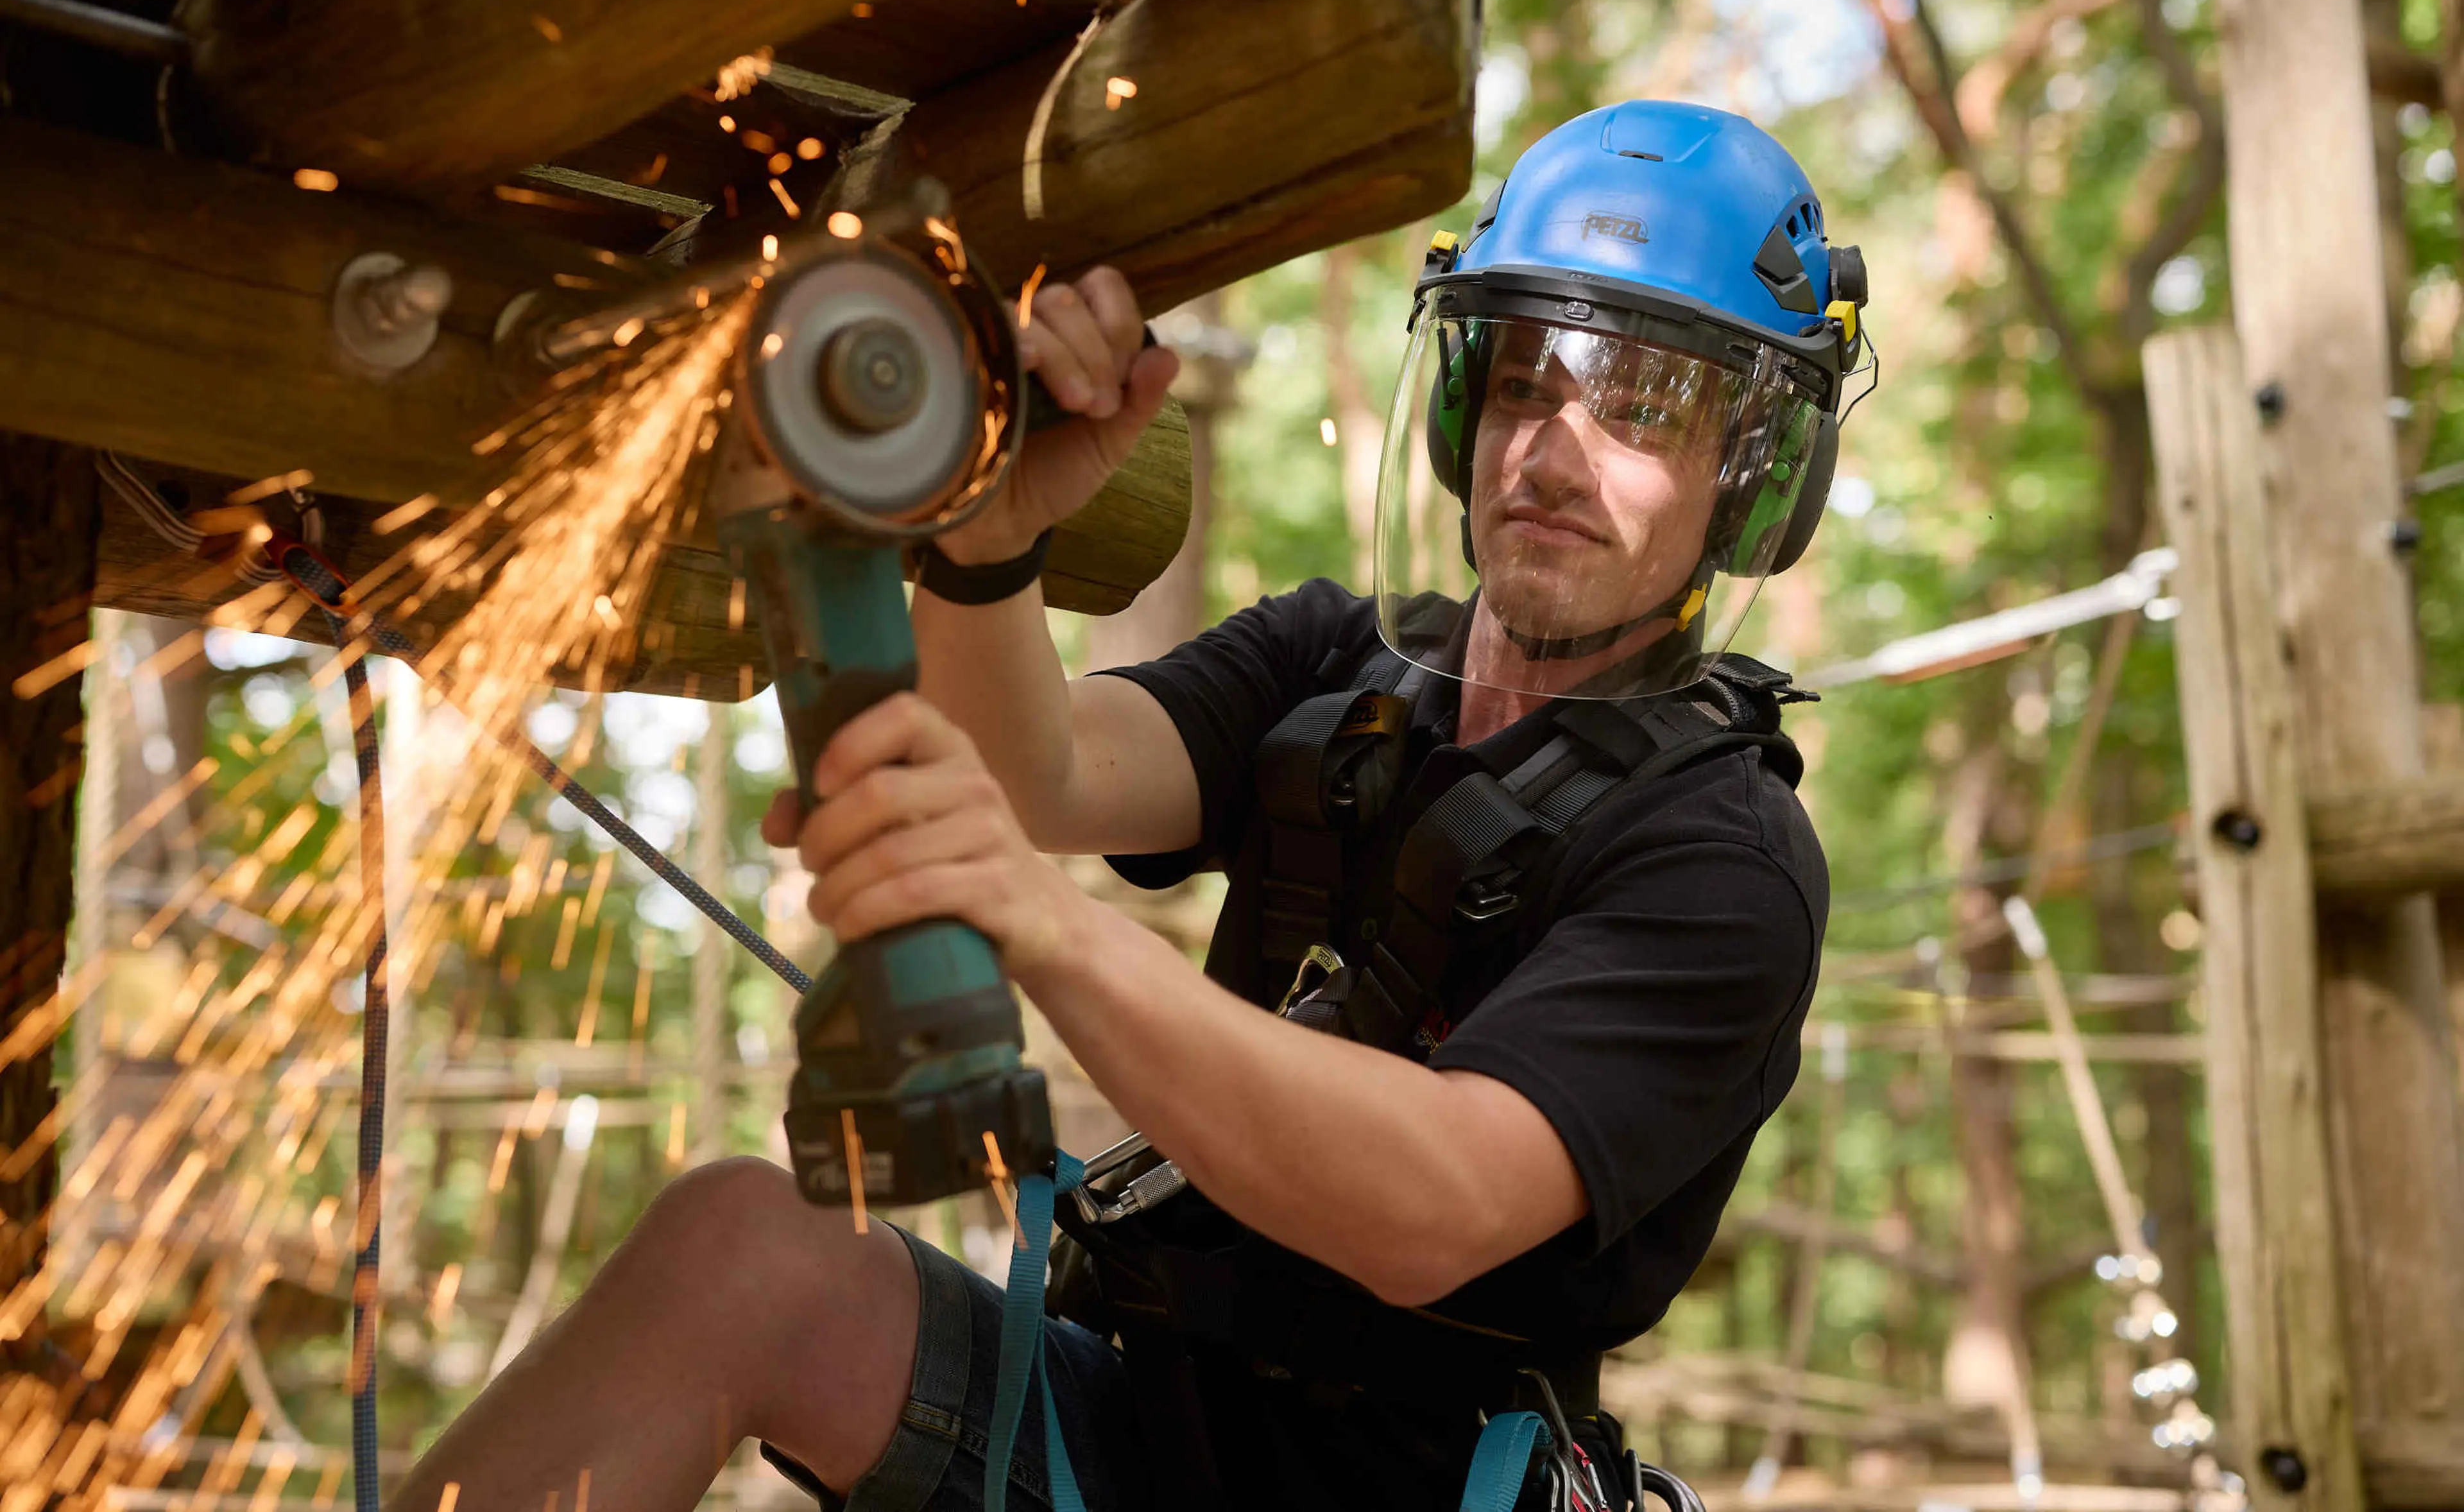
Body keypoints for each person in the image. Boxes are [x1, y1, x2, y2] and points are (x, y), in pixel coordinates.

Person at [391, 99, 1865, 1512]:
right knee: (740, 1249)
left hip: (1401, 1489)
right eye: (1525, 385)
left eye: (1641, 410)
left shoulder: (1721, 858)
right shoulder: (1335, 665)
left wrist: (1044, 932)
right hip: (1124, 1423)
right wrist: (988, 539)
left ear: (1749, 483)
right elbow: (1036, 777)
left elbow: (1433, 1208)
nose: (1550, 454)